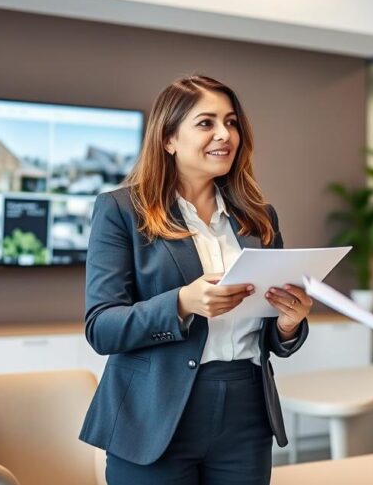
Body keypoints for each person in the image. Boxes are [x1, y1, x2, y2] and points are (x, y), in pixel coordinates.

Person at [79, 75, 314, 485]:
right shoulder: (121, 210)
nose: (225, 134)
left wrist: (290, 323)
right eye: (206, 123)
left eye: (231, 122)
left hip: (246, 412)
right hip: (154, 415)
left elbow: (271, 339)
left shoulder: (259, 217)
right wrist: (182, 303)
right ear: (168, 138)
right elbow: (101, 328)